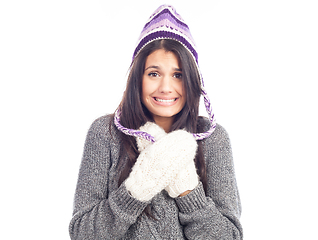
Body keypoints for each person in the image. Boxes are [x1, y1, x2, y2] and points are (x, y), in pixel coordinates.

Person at [69, 4, 243, 239]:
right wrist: (137, 189)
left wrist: (187, 190)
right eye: (154, 73)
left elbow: (229, 236)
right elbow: (82, 233)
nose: (165, 87)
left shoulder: (213, 138)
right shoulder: (105, 133)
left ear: (192, 81)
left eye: (178, 75)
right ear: (137, 78)